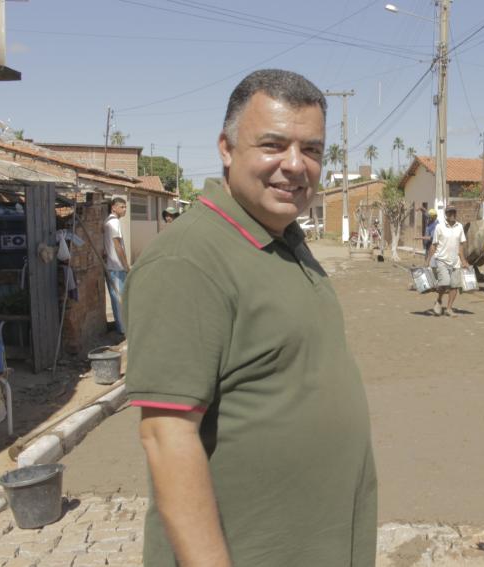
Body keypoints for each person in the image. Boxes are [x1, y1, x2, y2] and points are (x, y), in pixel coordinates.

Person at [124, 69, 377, 567]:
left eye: (312, 150)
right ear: (226, 147)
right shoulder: (189, 261)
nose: (295, 165)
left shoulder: (285, 239)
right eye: (272, 145)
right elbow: (166, 438)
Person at [426, 205, 469, 317]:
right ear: (446, 215)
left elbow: (461, 245)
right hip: (441, 260)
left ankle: (449, 308)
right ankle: (439, 300)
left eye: (454, 212)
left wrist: (463, 260)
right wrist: (428, 261)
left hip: (455, 262)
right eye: (450, 213)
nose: (452, 215)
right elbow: (434, 245)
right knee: (444, 282)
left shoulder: (459, 227)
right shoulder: (439, 227)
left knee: (454, 286)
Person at [103, 196, 129, 334]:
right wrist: (126, 265)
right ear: (113, 207)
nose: (124, 209)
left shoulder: (108, 222)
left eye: (125, 207)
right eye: (122, 207)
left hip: (112, 266)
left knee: (117, 298)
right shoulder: (114, 223)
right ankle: (123, 329)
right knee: (120, 298)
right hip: (116, 266)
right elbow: (117, 246)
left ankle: (121, 326)